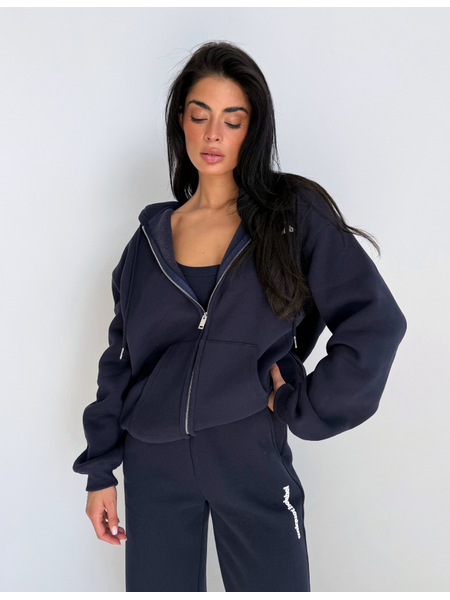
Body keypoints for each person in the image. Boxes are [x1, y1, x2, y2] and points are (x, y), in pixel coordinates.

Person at [73, 41, 407, 593]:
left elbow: (375, 322)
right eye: (199, 116)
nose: (213, 135)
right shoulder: (147, 243)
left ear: (252, 129)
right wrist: (100, 470)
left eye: (232, 120)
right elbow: (121, 362)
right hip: (153, 461)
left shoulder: (290, 216)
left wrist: (305, 404)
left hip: (250, 452)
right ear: (180, 122)